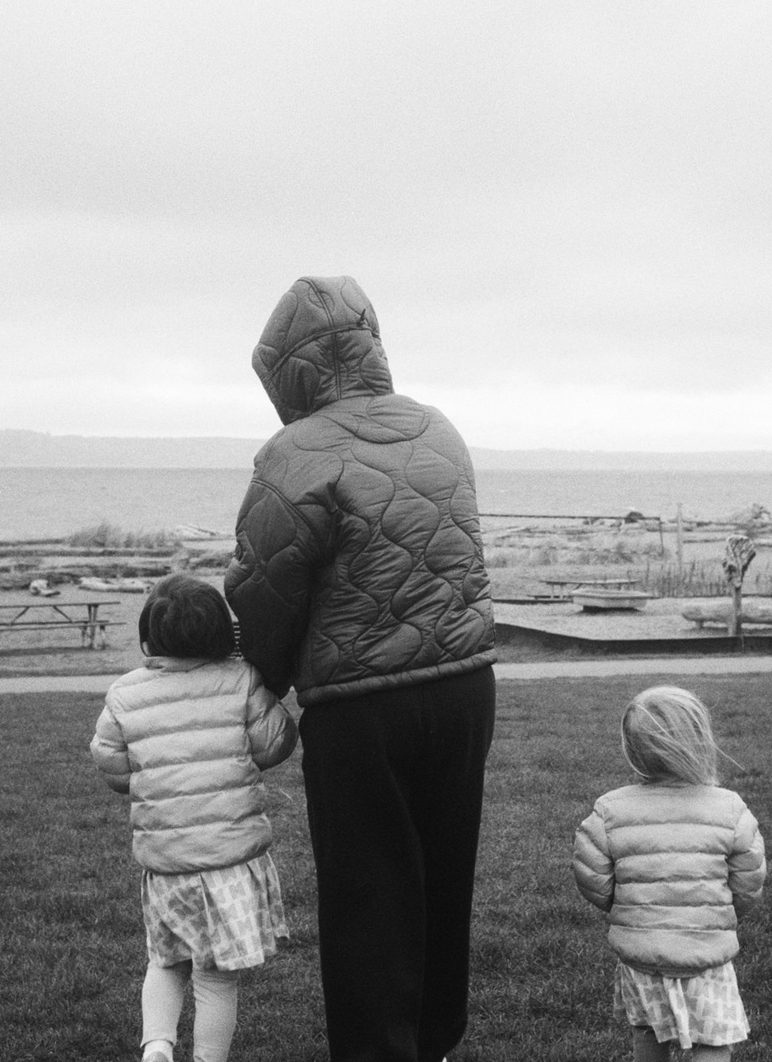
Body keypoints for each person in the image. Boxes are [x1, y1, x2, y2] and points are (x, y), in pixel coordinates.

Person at [225, 276, 497, 1062]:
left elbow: (267, 584)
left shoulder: (294, 452)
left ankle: (380, 1050)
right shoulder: (439, 429)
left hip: (359, 706)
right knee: (444, 873)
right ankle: (435, 1038)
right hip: (463, 684)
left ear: (292, 369)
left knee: (368, 890)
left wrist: (265, 675)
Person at [91, 573, 299, 1062]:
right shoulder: (241, 680)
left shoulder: (125, 693)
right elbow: (274, 746)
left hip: (168, 867)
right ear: (223, 632)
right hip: (230, 864)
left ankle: (157, 1045)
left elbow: (114, 768)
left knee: (165, 962)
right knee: (216, 979)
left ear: (149, 632)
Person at [572, 686, 767, 1062]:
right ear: (702, 742)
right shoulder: (730, 809)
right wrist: (721, 913)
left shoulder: (610, 810)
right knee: (713, 1039)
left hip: (642, 954)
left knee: (649, 1030)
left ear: (631, 749)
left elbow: (592, 879)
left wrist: (627, 907)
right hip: (705, 954)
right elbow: (748, 882)